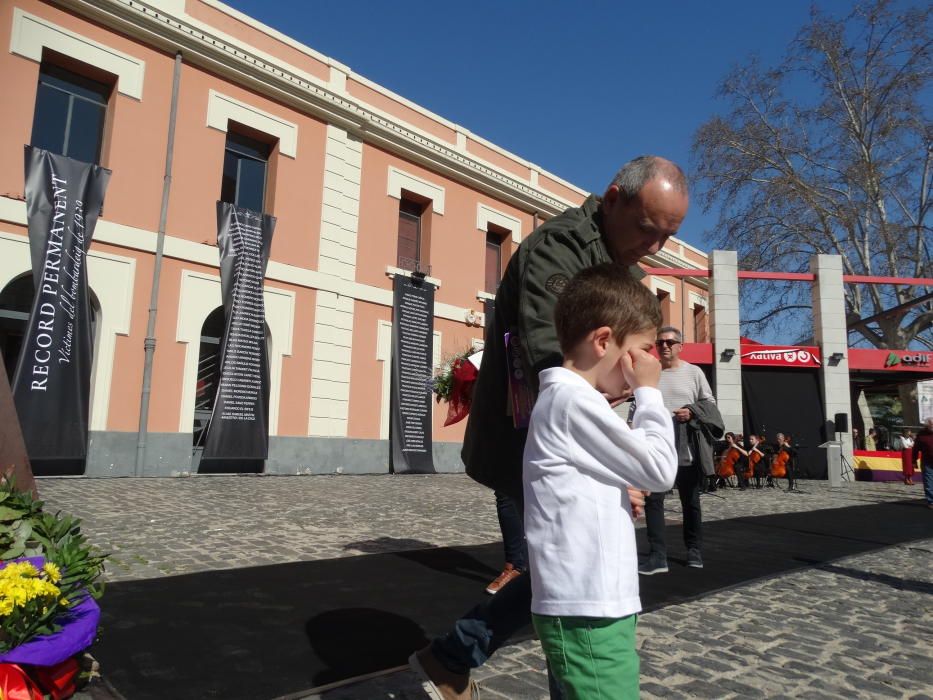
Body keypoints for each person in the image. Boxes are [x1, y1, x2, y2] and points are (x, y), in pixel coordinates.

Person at [408, 156, 690, 699]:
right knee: (568, 565)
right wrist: (617, 457)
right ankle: (467, 659)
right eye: (647, 230)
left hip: (576, 435)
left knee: (563, 559)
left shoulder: (627, 270)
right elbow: (552, 361)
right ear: (612, 200)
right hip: (536, 435)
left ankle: (453, 656)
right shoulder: (555, 249)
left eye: (668, 237)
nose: (654, 248)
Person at [524, 264, 677, 698]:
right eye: (643, 350)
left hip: (592, 601)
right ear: (604, 341)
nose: (649, 362)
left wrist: (614, 487)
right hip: (588, 606)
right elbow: (660, 469)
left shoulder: (573, 401)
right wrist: (649, 392)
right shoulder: (572, 401)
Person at [639, 326, 723, 576]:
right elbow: (640, 401)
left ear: (680, 345)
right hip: (656, 444)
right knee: (653, 500)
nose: (664, 346)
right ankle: (657, 556)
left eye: (670, 342)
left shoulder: (693, 372)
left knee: (690, 500)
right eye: (660, 342)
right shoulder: (650, 372)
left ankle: (694, 550)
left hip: (686, 444)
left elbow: (710, 403)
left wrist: (692, 411)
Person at [911, 419, 933, 508]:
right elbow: (915, 448)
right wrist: (914, 460)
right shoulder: (921, 435)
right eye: (931, 425)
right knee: (928, 481)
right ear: (927, 425)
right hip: (927, 461)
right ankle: (931, 501)